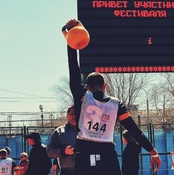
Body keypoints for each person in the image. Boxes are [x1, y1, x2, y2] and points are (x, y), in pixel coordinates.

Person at [63, 19, 162, 175]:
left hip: (84, 156)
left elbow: (73, 67)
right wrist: (153, 152)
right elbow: (135, 132)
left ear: (87, 87)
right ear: (105, 86)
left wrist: (70, 39)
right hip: (108, 157)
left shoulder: (82, 96)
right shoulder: (116, 104)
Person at [47, 106, 77, 175]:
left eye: (76, 114)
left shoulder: (86, 131)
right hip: (66, 171)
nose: (74, 116)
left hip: (85, 170)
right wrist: (63, 151)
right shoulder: (59, 132)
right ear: (67, 115)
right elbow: (49, 151)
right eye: (71, 114)